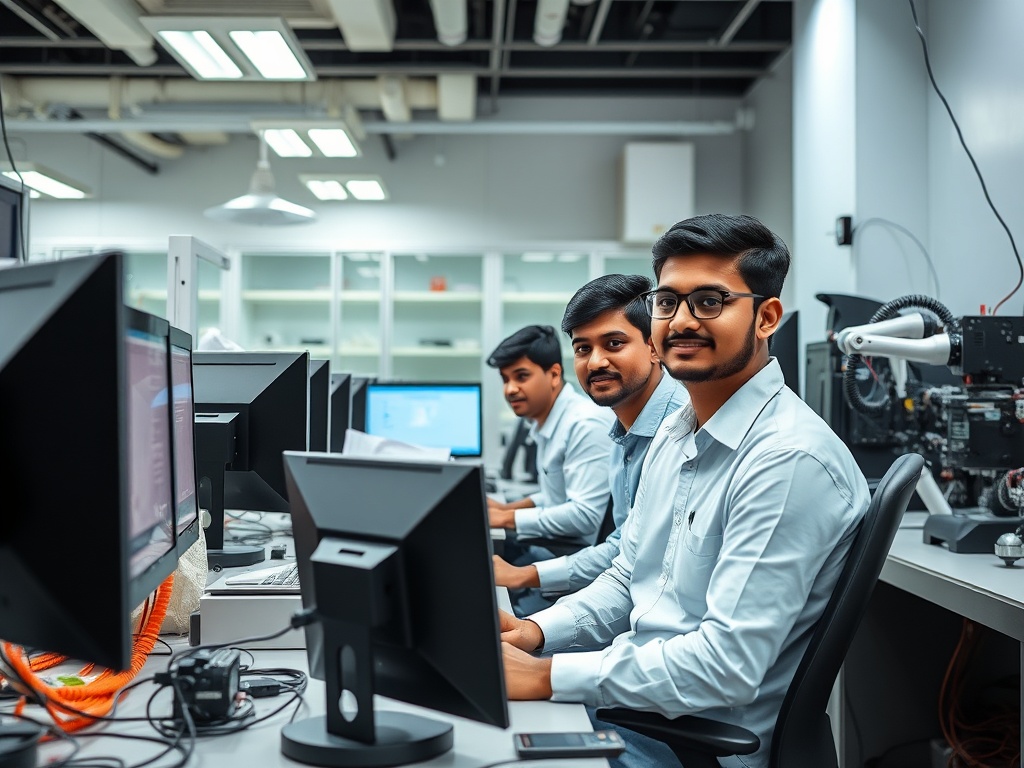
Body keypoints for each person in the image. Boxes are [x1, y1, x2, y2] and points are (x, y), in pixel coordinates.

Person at [498, 214, 870, 768]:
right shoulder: (678, 430)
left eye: (711, 301)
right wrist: (534, 633)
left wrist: (548, 675)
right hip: (644, 705)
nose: (681, 321)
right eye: (667, 302)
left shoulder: (786, 458)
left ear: (767, 317)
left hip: (693, 741)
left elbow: (726, 666)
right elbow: (630, 575)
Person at [492, 274, 689, 609]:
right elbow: (626, 548)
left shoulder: (679, 428)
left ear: (655, 348)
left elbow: (613, 543)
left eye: (614, 344)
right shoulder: (622, 427)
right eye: (583, 348)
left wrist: (524, 574)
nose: (596, 362)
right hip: (619, 591)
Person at [486, 325, 614, 555]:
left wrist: (505, 518)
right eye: (505, 379)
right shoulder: (547, 421)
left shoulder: (584, 424)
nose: (510, 389)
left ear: (554, 374)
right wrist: (507, 509)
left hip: (574, 556)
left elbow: (584, 516)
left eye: (521, 376)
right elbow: (557, 494)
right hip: (556, 544)